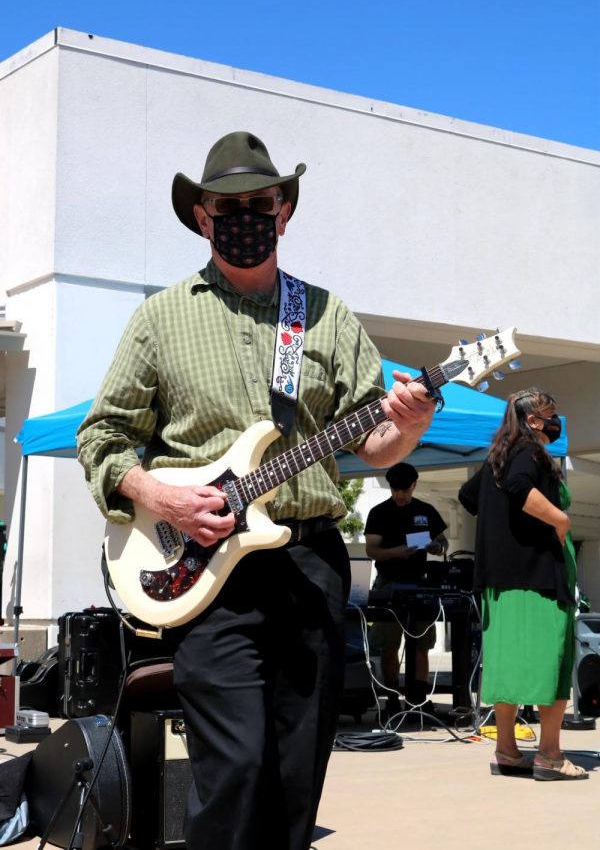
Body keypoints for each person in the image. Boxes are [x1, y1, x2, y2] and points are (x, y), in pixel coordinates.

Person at [77, 131, 437, 850]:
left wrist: (411, 424)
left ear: (285, 209)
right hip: (208, 574)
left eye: (259, 202)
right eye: (227, 205)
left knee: (296, 773)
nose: (245, 215)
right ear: (202, 218)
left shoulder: (327, 315)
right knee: (234, 765)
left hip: (310, 562)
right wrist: (164, 499)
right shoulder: (160, 318)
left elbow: (371, 443)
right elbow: (103, 440)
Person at [458, 387, 588, 781]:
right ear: (533, 421)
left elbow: (468, 496)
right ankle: (549, 754)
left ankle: (507, 751)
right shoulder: (531, 454)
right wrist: (559, 521)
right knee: (554, 661)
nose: (555, 421)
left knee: (507, 664)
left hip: (500, 581)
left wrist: (501, 529)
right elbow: (519, 487)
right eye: (551, 414)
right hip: (539, 578)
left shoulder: (496, 457)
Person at [365, 462, 448, 715]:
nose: (400, 495)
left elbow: (442, 540)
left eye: (405, 490)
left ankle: (419, 697)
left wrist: (437, 546)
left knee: (421, 642)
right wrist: (395, 553)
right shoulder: (379, 512)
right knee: (389, 643)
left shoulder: (426, 510)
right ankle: (391, 695)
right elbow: (371, 550)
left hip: (420, 582)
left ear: (414, 485)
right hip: (388, 583)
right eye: (395, 490)